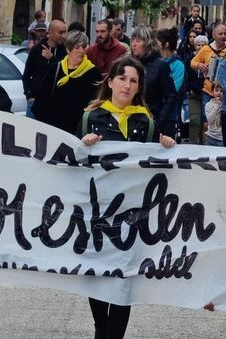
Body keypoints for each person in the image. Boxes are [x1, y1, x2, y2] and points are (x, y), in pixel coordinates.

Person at [80, 56, 173, 338]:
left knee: (124, 278)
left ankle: (115, 334)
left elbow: (155, 164)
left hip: (132, 213)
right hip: (99, 208)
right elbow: (74, 165)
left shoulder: (145, 121)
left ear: (138, 87)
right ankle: (101, 327)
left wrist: (166, 145)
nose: (127, 85)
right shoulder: (90, 117)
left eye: (133, 81)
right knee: (97, 273)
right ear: (110, 82)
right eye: (122, 78)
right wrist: (83, 146)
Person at [35, 30, 101, 134]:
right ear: (68, 49)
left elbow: (96, 102)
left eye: (83, 47)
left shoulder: (93, 72)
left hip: (78, 130)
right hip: (53, 128)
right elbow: (42, 98)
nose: (81, 51)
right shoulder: (56, 68)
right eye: (77, 47)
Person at [130, 25, 180, 141]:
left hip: (152, 119)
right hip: (130, 119)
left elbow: (171, 96)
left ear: (147, 43)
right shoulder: (129, 63)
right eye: (132, 41)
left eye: (138, 41)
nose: (134, 44)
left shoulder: (160, 65)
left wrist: (159, 121)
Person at [23, 18, 67, 119]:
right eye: (60, 32)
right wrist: (29, 96)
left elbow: (64, 72)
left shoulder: (65, 52)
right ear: (50, 32)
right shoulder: (36, 49)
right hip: (35, 101)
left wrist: (52, 58)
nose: (64, 36)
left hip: (55, 102)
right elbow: (26, 75)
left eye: (65, 32)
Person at [191, 23, 226, 105]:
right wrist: (199, 65)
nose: (223, 36)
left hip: (225, 91)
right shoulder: (206, 49)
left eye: (225, 34)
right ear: (213, 35)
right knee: (205, 116)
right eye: (220, 34)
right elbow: (192, 62)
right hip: (208, 90)